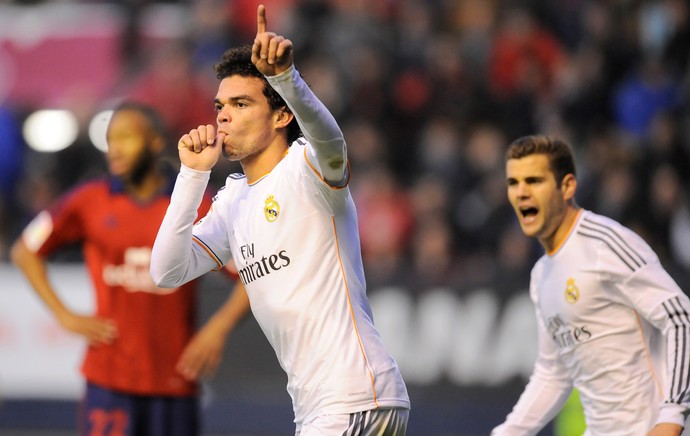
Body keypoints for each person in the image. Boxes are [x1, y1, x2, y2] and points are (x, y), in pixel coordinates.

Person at [149, 4, 410, 435]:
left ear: (281, 115)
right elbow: (166, 271)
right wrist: (192, 175)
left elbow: (332, 142)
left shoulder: (305, 167)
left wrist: (287, 80)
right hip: (318, 407)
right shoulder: (233, 199)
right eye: (220, 105)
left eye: (240, 103)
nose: (223, 115)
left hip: (355, 396)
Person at [11, 101, 246, 436]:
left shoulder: (195, 202)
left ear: (154, 142)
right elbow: (25, 251)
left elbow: (251, 273)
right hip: (109, 379)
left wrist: (218, 329)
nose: (114, 149)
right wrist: (65, 315)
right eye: (110, 139)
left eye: (125, 137)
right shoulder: (88, 200)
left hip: (174, 380)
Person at [492, 134, 690, 435]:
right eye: (513, 182)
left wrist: (672, 417)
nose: (521, 192)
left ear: (567, 186)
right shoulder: (541, 275)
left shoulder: (606, 245)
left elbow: (680, 318)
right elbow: (554, 372)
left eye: (534, 181)